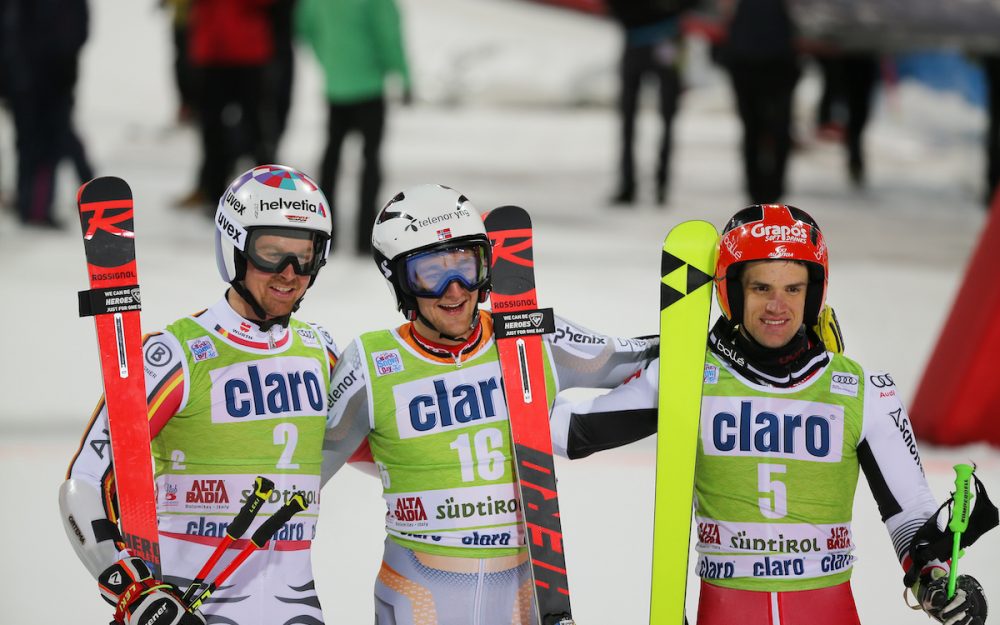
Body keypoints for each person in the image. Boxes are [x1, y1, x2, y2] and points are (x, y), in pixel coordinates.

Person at [550, 204, 992, 625]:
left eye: (793, 289)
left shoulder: (863, 391)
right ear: (732, 292)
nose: (777, 306)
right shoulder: (688, 376)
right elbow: (568, 432)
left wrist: (939, 581)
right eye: (761, 288)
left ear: (813, 292)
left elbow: (912, 517)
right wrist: (502, 366)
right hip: (727, 608)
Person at [319, 184, 658, 624]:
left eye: (466, 265)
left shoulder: (530, 336)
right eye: (430, 273)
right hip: (418, 597)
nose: (455, 289)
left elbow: (634, 355)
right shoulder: (368, 362)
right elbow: (304, 472)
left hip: (521, 598)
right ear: (399, 280)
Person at [60, 164, 339, 624]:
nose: (289, 273)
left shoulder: (321, 351)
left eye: (304, 256)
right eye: (270, 253)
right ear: (234, 250)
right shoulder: (176, 355)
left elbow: (390, 447)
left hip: (296, 610)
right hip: (192, 608)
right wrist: (133, 590)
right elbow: (84, 485)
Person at [295, 0, 411, 255]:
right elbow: (389, 34)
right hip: (369, 86)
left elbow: (304, 26)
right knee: (370, 159)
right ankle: (364, 235)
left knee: (331, 157)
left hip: (336, 84)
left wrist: (328, 59)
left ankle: (324, 230)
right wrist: (403, 74)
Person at [177, 0, 276, 213]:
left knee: (256, 130)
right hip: (211, 51)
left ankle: (271, 195)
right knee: (211, 130)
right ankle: (213, 194)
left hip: (248, 52)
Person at [2, 0, 93, 228]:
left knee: (43, 141)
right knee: (42, 143)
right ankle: (34, 206)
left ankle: (33, 204)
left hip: (41, 76)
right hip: (34, 76)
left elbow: (77, 31)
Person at [605, 0, 691, 207]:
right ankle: (631, 184)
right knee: (631, 116)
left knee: (665, 115)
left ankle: (657, 184)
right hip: (652, 37)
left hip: (663, 38)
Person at [720, 0, 800, 204]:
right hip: (748, 62)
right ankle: (757, 192)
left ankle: (771, 191)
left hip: (776, 63)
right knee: (754, 130)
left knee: (776, 130)